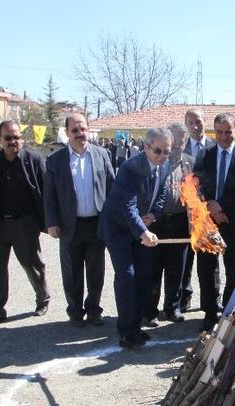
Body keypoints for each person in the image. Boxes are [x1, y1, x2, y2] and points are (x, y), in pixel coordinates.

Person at [0, 121, 51, 325]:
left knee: (33, 265)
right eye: (8, 138)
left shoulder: (34, 159)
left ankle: (43, 299)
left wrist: (48, 221)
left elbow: (46, 192)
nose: (13, 141)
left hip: (25, 223)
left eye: (16, 137)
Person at [99, 128, 168, 349]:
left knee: (144, 277)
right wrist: (143, 231)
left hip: (140, 228)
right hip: (119, 230)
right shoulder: (130, 168)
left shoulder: (164, 166)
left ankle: (136, 325)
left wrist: (154, 215)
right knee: (127, 277)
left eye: (166, 151)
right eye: (158, 150)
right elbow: (126, 205)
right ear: (147, 147)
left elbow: (162, 193)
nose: (162, 155)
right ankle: (126, 331)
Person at [44, 113, 115, 327]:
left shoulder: (102, 155)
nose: (79, 134)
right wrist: (51, 222)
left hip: (96, 225)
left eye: (82, 129)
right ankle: (75, 311)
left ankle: (94, 310)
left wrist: (112, 219)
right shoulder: (55, 161)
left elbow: (112, 188)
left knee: (96, 272)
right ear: (67, 133)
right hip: (69, 226)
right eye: (74, 130)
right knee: (72, 273)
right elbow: (49, 195)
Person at [194, 113, 235, 331]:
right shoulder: (205, 154)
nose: (224, 136)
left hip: (232, 221)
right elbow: (196, 184)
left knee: (232, 268)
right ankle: (210, 312)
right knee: (207, 268)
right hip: (207, 220)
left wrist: (221, 205)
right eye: (219, 131)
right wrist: (211, 207)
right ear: (214, 132)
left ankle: (229, 313)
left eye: (228, 131)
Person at [145, 123, 195, 324]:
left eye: (183, 143)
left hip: (179, 221)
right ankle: (149, 310)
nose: (179, 147)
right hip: (156, 222)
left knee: (177, 269)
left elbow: (195, 195)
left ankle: (172, 308)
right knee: (153, 269)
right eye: (176, 143)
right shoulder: (157, 160)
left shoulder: (189, 163)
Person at [181, 108, 216, 313]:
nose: (195, 126)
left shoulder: (214, 145)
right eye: (191, 122)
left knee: (210, 257)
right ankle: (184, 297)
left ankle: (211, 299)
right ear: (186, 124)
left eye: (199, 122)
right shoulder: (179, 148)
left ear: (205, 122)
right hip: (184, 212)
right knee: (186, 258)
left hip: (208, 212)